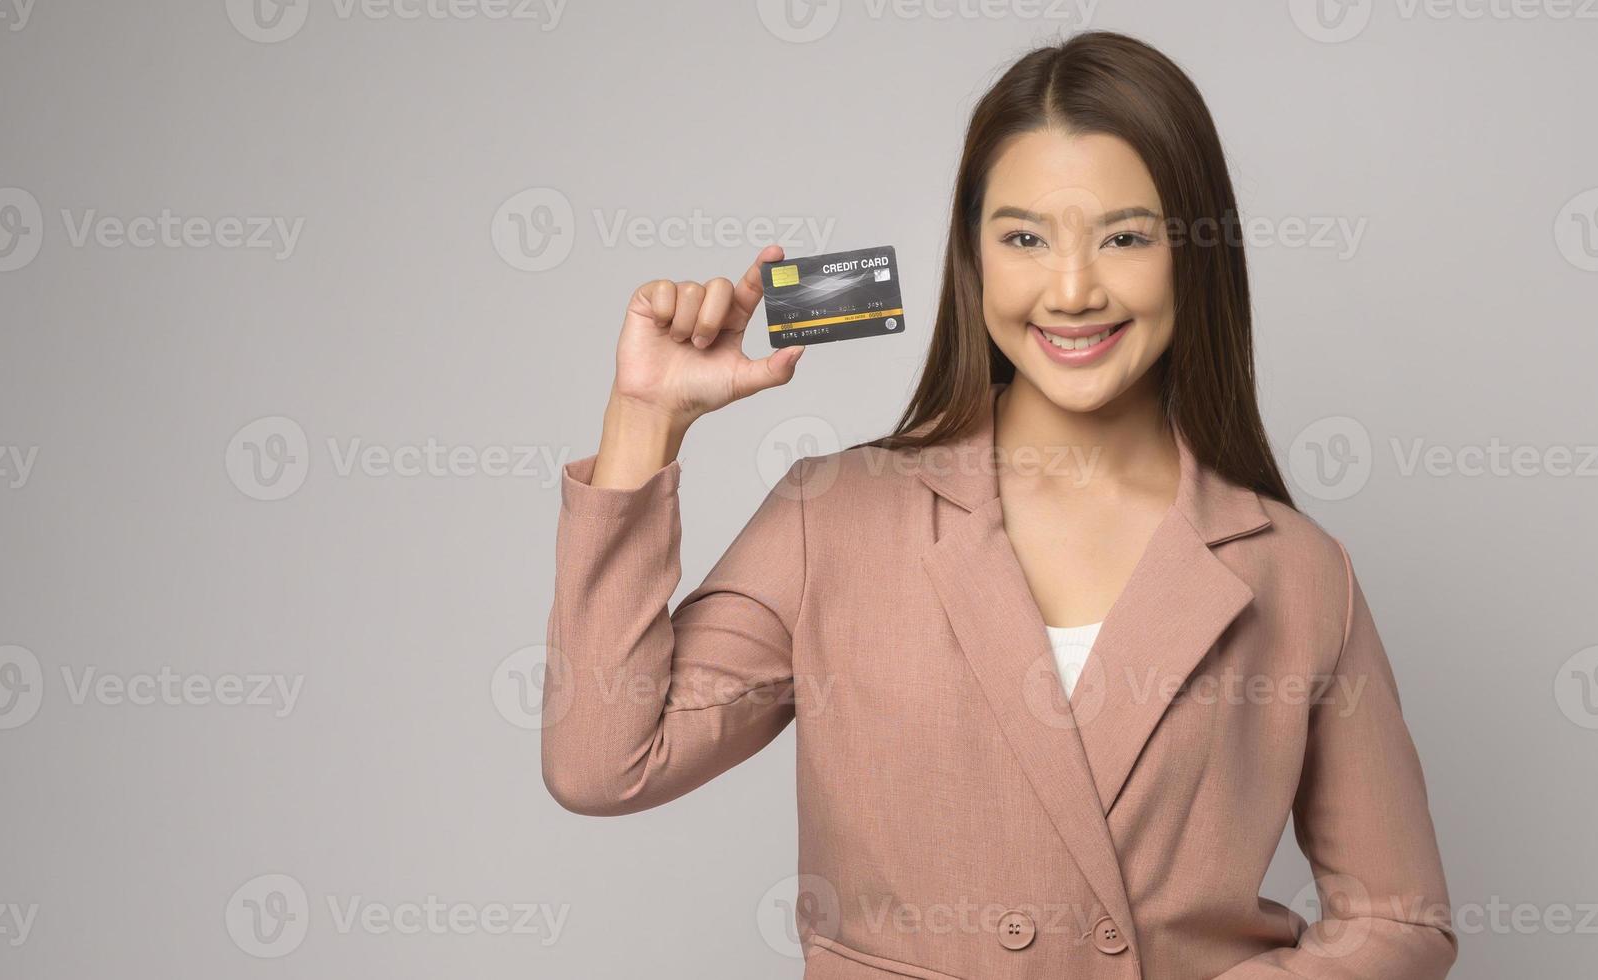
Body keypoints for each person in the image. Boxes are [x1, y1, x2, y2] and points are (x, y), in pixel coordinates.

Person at [541, 30, 1458, 980]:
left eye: (1126, 237)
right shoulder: (834, 516)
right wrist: (644, 419)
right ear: (973, 258)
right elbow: (604, 761)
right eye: (1024, 237)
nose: (1070, 290)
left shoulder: (1296, 570)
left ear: (1195, 253)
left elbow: (1399, 921)